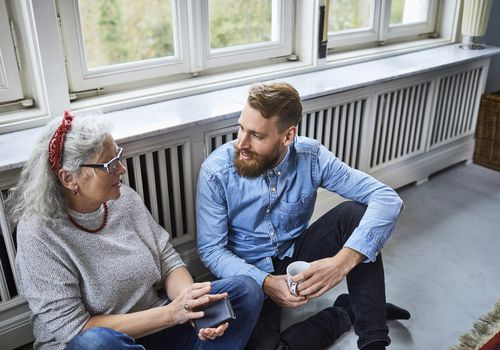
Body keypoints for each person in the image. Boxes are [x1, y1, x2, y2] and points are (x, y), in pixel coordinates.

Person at [8, 111, 263, 350]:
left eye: (117, 156)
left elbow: (167, 261)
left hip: (155, 326)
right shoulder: (38, 234)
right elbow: (74, 329)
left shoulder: (121, 198)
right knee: (96, 344)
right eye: (108, 164)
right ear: (69, 178)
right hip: (98, 342)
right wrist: (173, 313)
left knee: (246, 291)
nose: (121, 169)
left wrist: (191, 304)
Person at [196, 82, 410, 350]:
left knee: (355, 215)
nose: (242, 143)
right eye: (241, 128)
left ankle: (374, 341)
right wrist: (266, 282)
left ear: (288, 136)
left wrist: (342, 263)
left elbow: (387, 199)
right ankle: (346, 312)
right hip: (247, 276)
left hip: (294, 255)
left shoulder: (311, 157)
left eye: (257, 136)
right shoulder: (216, 171)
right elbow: (211, 250)